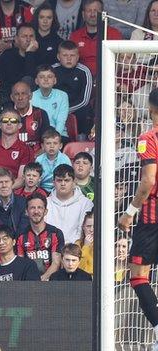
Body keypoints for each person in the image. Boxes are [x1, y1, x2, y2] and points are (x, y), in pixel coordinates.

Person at [117, 88, 158, 350]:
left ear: (151, 108)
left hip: (151, 218)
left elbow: (148, 180)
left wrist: (129, 212)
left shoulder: (148, 137)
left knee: (139, 277)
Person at [16, 193, 64, 281]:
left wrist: (41, 280)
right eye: (32, 208)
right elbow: (20, 264)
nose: (36, 211)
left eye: (40, 207)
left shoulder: (55, 233)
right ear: (26, 212)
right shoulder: (20, 236)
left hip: (51, 282)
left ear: (45, 211)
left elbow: (56, 263)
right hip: (28, 283)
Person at [69, 0, 122, 77]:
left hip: (108, 79)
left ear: (103, 14)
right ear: (83, 15)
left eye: (96, 11)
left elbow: (120, 62)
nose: (92, 14)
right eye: (89, 11)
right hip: (80, 79)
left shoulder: (114, 34)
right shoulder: (75, 36)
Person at [52, 40, 93, 135]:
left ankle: (82, 138)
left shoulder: (84, 71)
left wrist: (65, 111)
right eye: (65, 55)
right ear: (58, 57)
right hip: (55, 108)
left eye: (72, 55)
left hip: (76, 108)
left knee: (85, 111)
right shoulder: (52, 70)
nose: (69, 59)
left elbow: (85, 100)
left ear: (78, 57)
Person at [46, 164, 93, 243]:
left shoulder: (86, 203)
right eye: (59, 180)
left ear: (74, 182)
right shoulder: (46, 203)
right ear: (53, 182)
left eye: (67, 180)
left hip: (76, 249)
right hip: (51, 248)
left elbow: (82, 231)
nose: (63, 184)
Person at [0, 108, 34, 180]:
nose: (9, 123)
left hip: (13, 190)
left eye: (13, 121)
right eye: (5, 120)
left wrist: (4, 190)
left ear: (20, 125)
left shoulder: (26, 150)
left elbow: (21, 179)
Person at [0, 24, 38, 97]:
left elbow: (31, 79)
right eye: (24, 36)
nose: (28, 40)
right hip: (9, 96)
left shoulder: (40, 55)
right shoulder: (6, 56)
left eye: (31, 36)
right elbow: (0, 81)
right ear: (16, 39)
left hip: (34, 97)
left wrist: (29, 54)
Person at [0, 167, 29, 235]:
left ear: (12, 184)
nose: (4, 185)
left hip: (17, 243)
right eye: (0, 182)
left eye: (7, 182)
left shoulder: (24, 203)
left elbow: (23, 231)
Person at [11, 80, 51, 153]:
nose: (20, 98)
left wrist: (36, 156)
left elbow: (47, 141)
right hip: (13, 156)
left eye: (23, 94)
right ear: (12, 97)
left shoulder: (41, 114)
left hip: (36, 157)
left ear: (30, 96)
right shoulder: (7, 115)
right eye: (17, 94)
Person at [32, 64, 69, 139]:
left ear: (55, 80)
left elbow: (61, 121)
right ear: (36, 81)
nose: (46, 79)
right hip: (38, 135)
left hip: (59, 134)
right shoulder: (31, 97)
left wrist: (54, 138)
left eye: (49, 76)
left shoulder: (62, 96)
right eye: (42, 77)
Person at [35, 128, 72, 193]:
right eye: (48, 143)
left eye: (55, 143)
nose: (52, 146)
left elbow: (70, 178)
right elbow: (37, 180)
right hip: (42, 189)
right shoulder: (39, 160)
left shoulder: (65, 159)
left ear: (60, 146)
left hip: (60, 189)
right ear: (42, 146)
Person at [75, 210, 93, 275]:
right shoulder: (78, 244)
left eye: (94, 226)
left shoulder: (104, 244)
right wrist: (85, 247)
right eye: (88, 226)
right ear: (83, 227)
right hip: (82, 279)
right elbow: (78, 268)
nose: (91, 230)